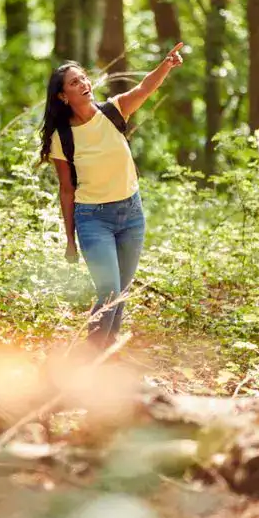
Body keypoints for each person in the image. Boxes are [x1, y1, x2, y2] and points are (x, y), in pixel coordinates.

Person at [39, 43, 185, 348]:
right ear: (63, 96)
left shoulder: (113, 110)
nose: (84, 84)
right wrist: (69, 240)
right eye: (74, 82)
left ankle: (107, 360)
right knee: (108, 290)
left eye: (84, 78)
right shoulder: (61, 137)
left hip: (131, 214)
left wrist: (166, 65)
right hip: (93, 219)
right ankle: (86, 360)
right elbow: (66, 190)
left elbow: (145, 88)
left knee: (120, 292)